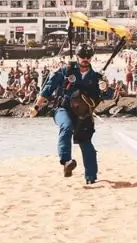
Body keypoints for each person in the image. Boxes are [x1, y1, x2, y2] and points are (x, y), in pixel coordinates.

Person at [31, 44, 105, 184]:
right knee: (66, 126)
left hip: (83, 114)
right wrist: (36, 106)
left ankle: (91, 177)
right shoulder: (66, 71)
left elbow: (106, 96)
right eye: (82, 56)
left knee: (86, 142)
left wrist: (105, 88)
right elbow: (48, 88)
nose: (85, 59)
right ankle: (66, 161)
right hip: (62, 109)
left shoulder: (96, 77)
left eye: (88, 56)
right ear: (77, 56)